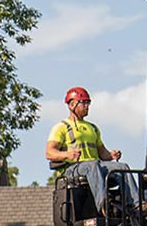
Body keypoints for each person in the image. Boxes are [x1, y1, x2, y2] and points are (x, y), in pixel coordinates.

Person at [45, 86, 139, 217]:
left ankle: (136, 204)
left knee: (121, 167)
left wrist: (111, 155)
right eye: (83, 103)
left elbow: (103, 154)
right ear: (72, 104)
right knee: (92, 165)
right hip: (72, 169)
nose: (87, 106)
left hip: (94, 166)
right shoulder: (61, 127)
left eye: (88, 103)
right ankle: (104, 206)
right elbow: (49, 153)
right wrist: (67, 154)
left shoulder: (92, 128)